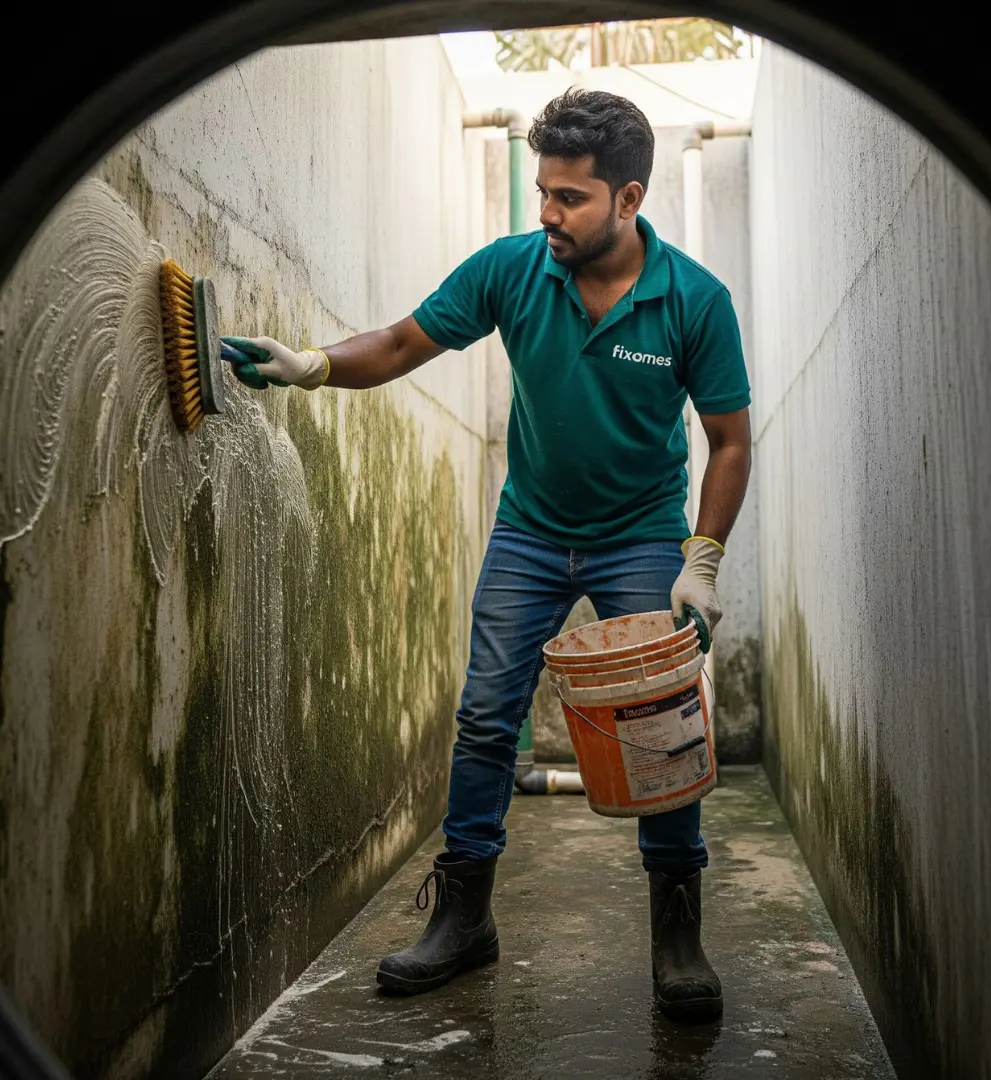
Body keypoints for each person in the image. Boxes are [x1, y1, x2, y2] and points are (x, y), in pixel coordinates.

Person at [221, 89, 751, 1023]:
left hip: (640, 538)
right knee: (484, 717)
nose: (547, 211)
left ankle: (677, 935)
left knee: (661, 728)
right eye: (543, 190)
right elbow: (400, 343)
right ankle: (464, 917)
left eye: (570, 197)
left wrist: (700, 558)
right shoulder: (514, 269)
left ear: (629, 199)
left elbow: (730, 440)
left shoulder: (695, 301)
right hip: (531, 534)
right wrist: (312, 365)